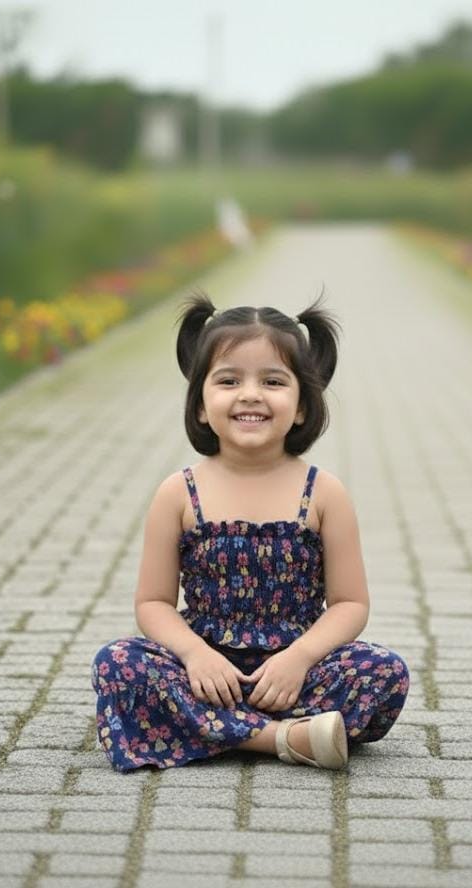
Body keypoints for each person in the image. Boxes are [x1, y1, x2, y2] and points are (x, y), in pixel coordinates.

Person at [90, 290, 409, 772]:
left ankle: (212, 730)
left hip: (294, 672)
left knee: (384, 673)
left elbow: (350, 604)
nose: (251, 394)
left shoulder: (323, 493)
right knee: (118, 663)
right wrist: (195, 656)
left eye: (274, 381)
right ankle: (285, 738)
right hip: (204, 671)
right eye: (229, 380)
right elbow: (152, 603)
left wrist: (299, 658)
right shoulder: (179, 493)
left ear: (302, 405)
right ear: (200, 404)